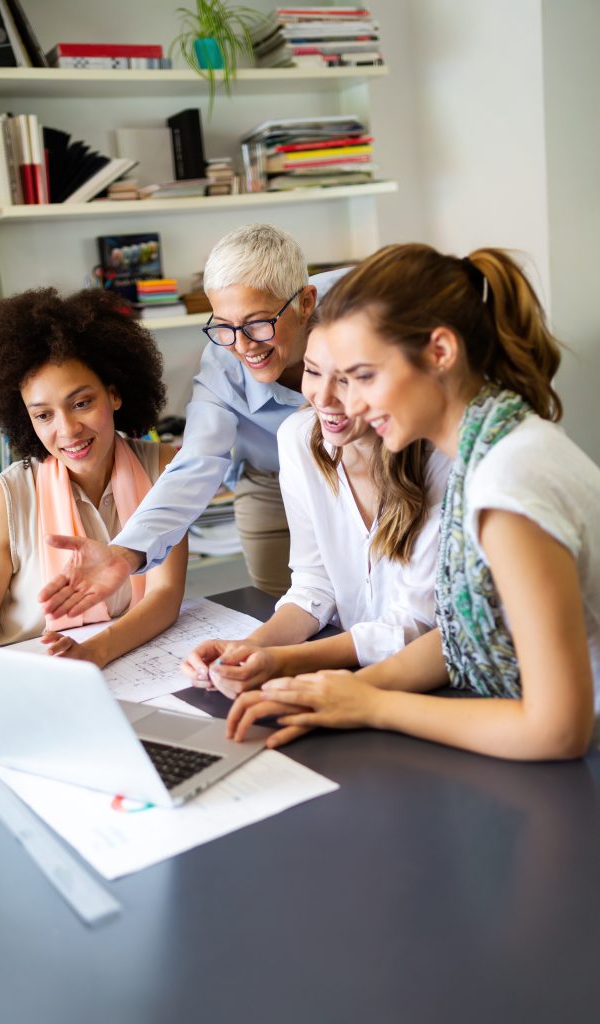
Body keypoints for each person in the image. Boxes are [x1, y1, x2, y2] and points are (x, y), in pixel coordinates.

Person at [228, 244, 600, 759]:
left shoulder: (507, 485)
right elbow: (455, 634)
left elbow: (557, 731)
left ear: (440, 353)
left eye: (364, 376)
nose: (349, 404)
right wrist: (338, 684)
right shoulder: (494, 445)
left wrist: (370, 705)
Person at [36, 223, 346, 610]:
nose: (242, 345)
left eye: (257, 322)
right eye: (225, 326)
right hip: (271, 478)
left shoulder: (361, 300)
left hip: (369, 470)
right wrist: (125, 552)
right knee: (285, 608)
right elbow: (195, 462)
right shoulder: (222, 367)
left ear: (305, 302)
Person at [181, 319, 451, 720]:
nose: (323, 398)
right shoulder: (298, 437)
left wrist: (286, 663)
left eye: (347, 380)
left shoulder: (441, 457)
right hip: (350, 677)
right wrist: (253, 648)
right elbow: (314, 582)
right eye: (312, 370)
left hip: (422, 688)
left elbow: (419, 625)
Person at [0, 287, 187, 667]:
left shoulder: (163, 468)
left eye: (81, 403)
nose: (68, 430)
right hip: (38, 674)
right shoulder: (4, 499)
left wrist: (95, 652)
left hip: (133, 662)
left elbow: (165, 595)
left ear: (114, 394)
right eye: (44, 415)